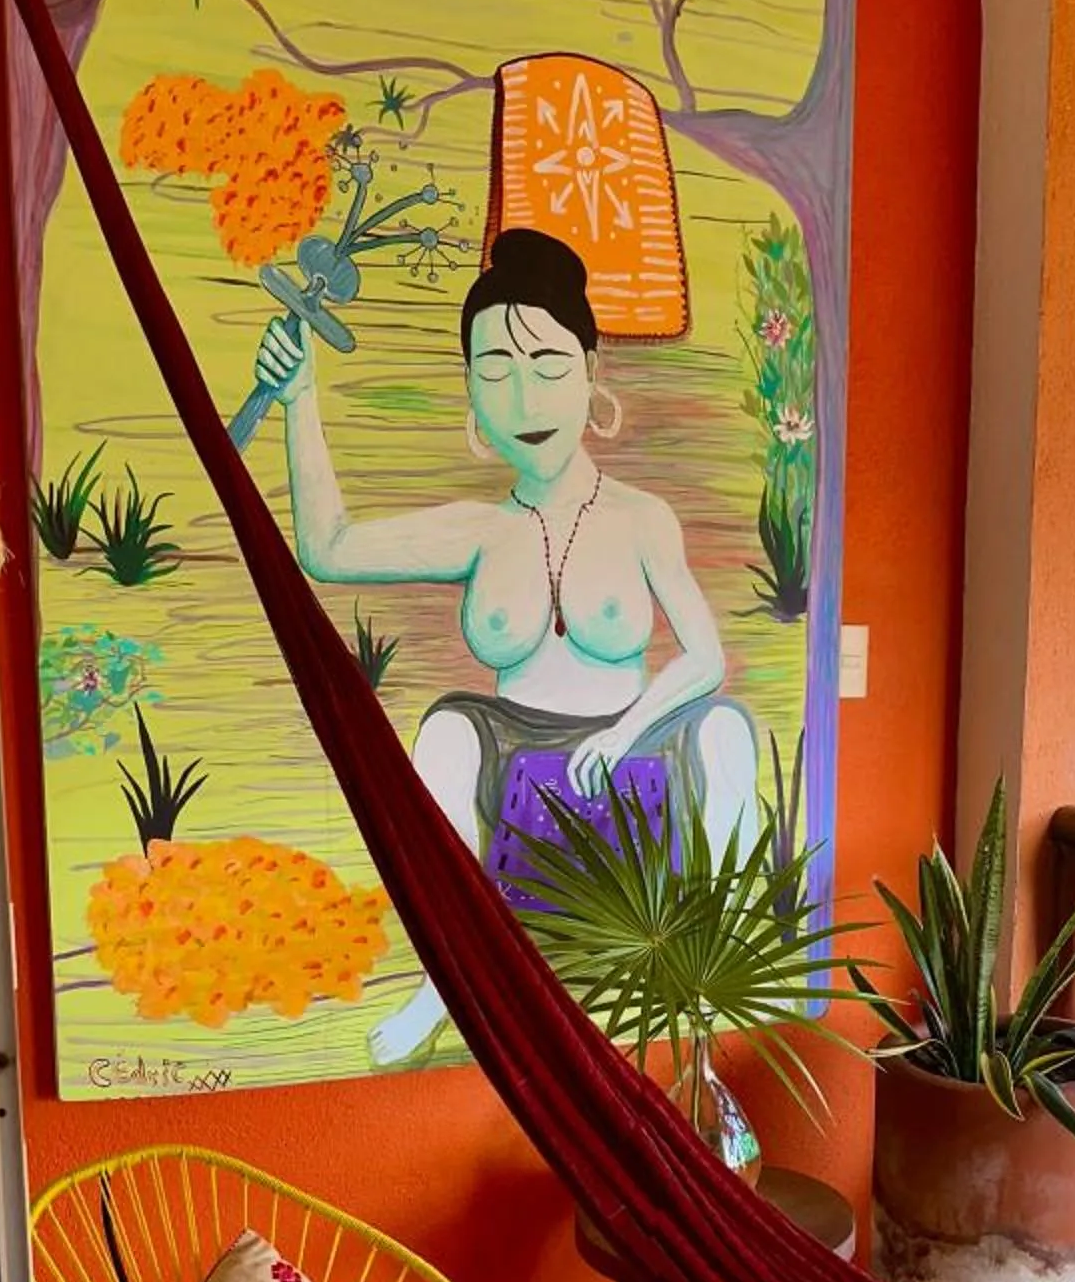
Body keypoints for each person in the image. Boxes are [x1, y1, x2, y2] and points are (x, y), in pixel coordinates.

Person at [254, 226, 762, 1067]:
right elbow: (330, 548)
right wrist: (300, 399)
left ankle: (723, 958)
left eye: (548, 366)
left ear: (592, 372)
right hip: (517, 757)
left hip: (634, 759)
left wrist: (623, 729)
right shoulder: (479, 532)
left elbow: (704, 658)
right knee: (448, 729)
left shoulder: (642, 518)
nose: (525, 399)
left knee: (729, 731)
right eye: (497, 370)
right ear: (471, 395)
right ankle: (439, 986)